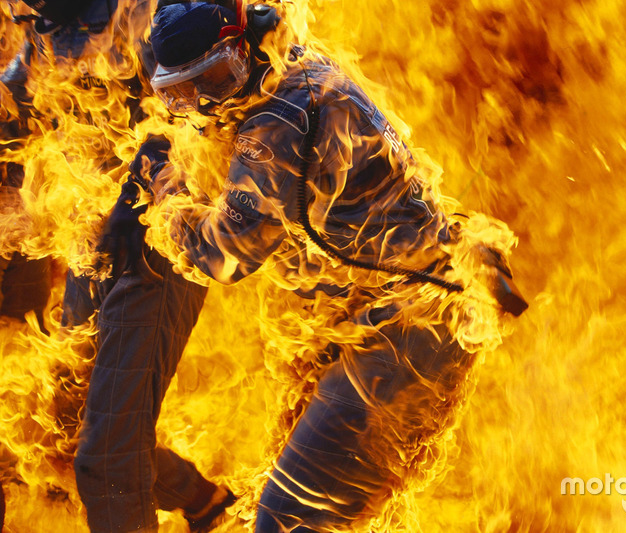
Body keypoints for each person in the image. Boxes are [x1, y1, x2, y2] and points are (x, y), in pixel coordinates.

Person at [137, 1, 525, 530]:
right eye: (183, 94)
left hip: (407, 331)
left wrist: (166, 194)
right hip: (412, 311)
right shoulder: (302, 69)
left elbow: (221, 257)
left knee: (286, 518)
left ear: (247, 46)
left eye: (218, 79)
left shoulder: (275, 125)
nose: (204, 105)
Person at [0, 1, 234, 530]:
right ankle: (204, 501)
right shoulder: (47, 23)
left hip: (157, 243)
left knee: (107, 459)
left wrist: (137, 194)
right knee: (71, 421)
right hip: (95, 239)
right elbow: (18, 93)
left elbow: (197, 115)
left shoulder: (149, 16)